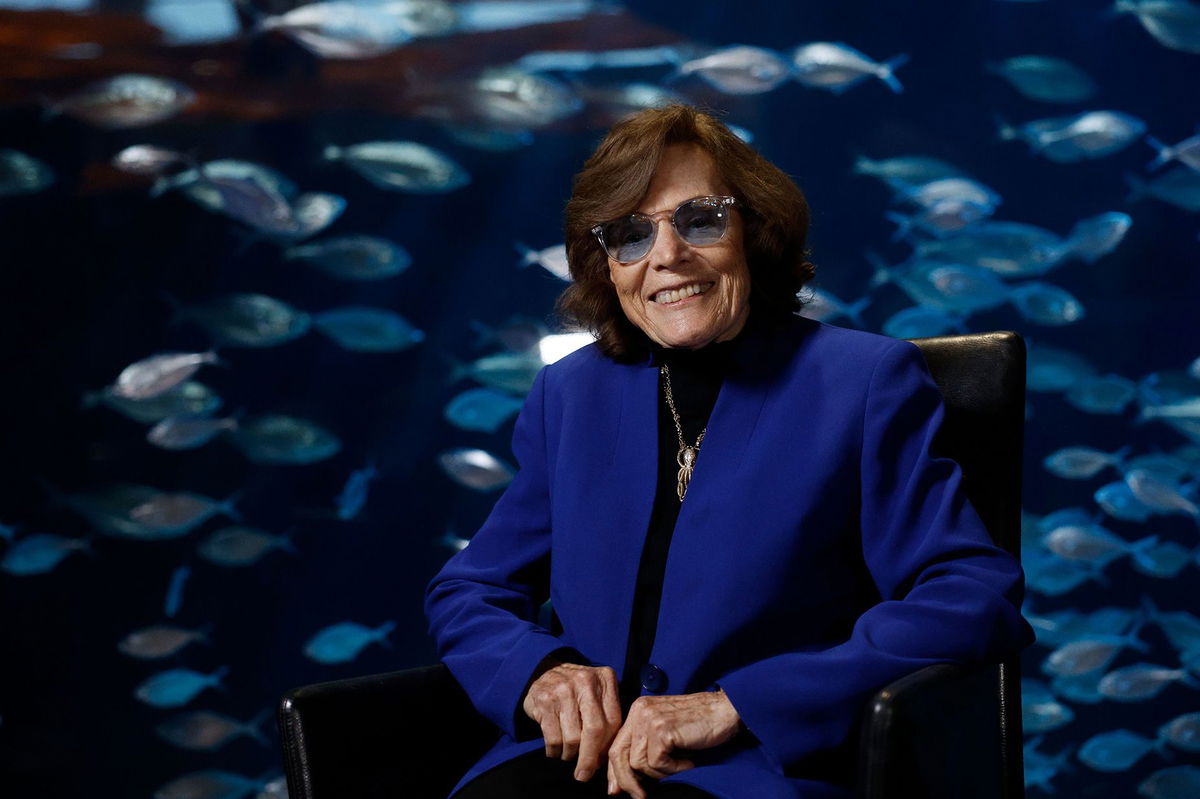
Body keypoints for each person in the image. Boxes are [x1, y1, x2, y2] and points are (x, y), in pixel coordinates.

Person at [425, 105, 1033, 799]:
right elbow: (469, 587)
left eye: (701, 219)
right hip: (566, 767)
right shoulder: (567, 393)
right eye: (629, 234)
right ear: (609, 265)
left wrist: (739, 702)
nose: (666, 255)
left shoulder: (864, 381)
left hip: (748, 772)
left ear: (756, 231)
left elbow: (970, 593)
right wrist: (536, 671)